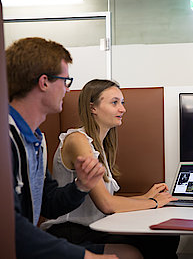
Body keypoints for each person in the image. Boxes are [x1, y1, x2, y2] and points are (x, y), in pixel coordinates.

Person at [7, 37, 140, 259]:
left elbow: (49, 203)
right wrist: (85, 257)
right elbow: (10, 226)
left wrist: (80, 186)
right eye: (65, 81)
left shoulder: (36, 140)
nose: (68, 90)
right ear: (44, 82)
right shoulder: (7, 139)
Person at [42, 79, 180, 258]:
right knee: (154, 245)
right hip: (70, 232)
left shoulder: (99, 145)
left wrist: (145, 197)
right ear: (93, 108)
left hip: (93, 228)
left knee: (165, 239)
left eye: (122, 103)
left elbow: (103, 202)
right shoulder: (77, 140)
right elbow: (106, 204)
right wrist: (153, 203)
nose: (122, 109)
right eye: (114, 103)